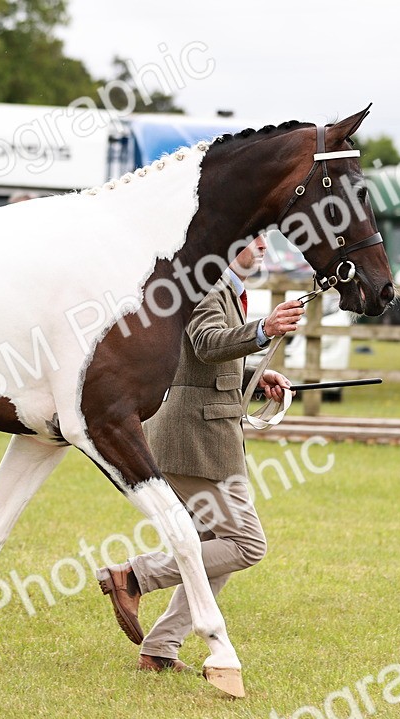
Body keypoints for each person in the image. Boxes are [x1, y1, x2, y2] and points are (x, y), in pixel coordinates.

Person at [96, 235, 305, 673]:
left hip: (204, 435)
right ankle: (133, 576)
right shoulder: (208, 284)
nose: (263, 246)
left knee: (215, 549)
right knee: (245, 544)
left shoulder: (224, 287)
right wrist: (264, 330)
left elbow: (199, 361)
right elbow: (208, 342)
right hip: (194, 439)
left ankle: (160, 648)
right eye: (254, 237)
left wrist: (254, 375)